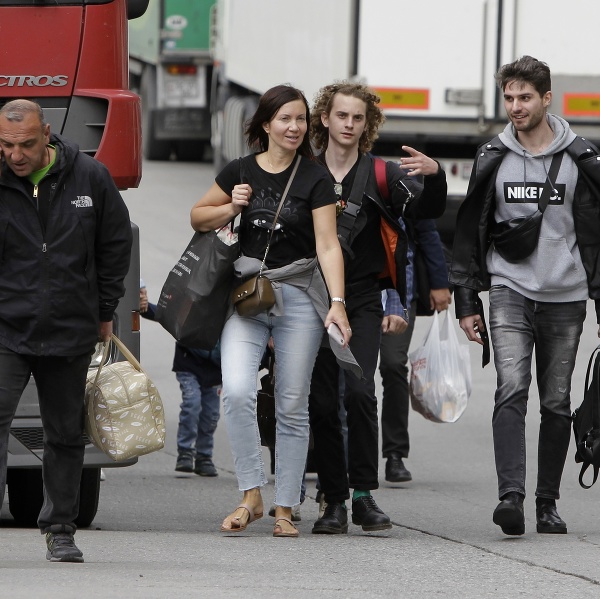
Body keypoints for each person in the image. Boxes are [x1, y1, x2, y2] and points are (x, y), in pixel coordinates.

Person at [0, 100, 132, 563]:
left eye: (25, 145)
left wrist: (104, 309)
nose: (15, 155)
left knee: (62, 432)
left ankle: (60, 528)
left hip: (68, 327)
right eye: (6, 144)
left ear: (48, 136)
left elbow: (115, 244)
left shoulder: (89, 178)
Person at [449, 56, 600, 536]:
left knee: (555, 401)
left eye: (525, 97)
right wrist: (468, 301)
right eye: (509, 98)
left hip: (566, 296)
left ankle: (547, 503)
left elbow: (599, 234)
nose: (515, 106)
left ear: (546, 98)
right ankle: (509, 496)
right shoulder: (493, 155)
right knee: (511, 389)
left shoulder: (581, 158)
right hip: (510, 288)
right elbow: (472, 230)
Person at [190, 84, 352, 539]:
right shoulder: (240, 170)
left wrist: (336, 304)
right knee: (238, 391)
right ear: (265, 124)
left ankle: (286, 504)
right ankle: (251, 495)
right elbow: (197, 216)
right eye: (285, 119)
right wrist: (231, 206)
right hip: (247, 296)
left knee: (292, 402)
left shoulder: (315, 178)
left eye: (301, 119)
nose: (295, 127)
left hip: (298, 297)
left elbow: (327, 244)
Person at [307, 82, 447, 535]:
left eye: (358, 118)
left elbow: (430, 211)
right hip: (310, 298)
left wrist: (437, 174)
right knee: (323, 402)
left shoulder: (383, 174)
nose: (349, 124)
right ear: (325, 118)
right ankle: (333, 500)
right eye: (341, 115)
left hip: (363, 298)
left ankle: (363, 495)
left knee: (360, 391)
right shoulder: (304, 173)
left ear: (368, 125)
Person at [379, 218, 451, 483]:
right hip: (354, 291)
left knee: (393, 364)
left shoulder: (405, 178)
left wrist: (439, 282)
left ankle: (395, 454)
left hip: (400, 294)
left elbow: (427, 230)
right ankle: (341, 452)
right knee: (350, 376)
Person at [139, 285, 221, 477]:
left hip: (215, 370)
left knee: (211, 415)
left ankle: (204, 457)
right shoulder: (191, 298)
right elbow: (164, 314)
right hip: (189, 365)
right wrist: (144, 307)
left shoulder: (226, 304)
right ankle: (185, 452)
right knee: (192, 405)